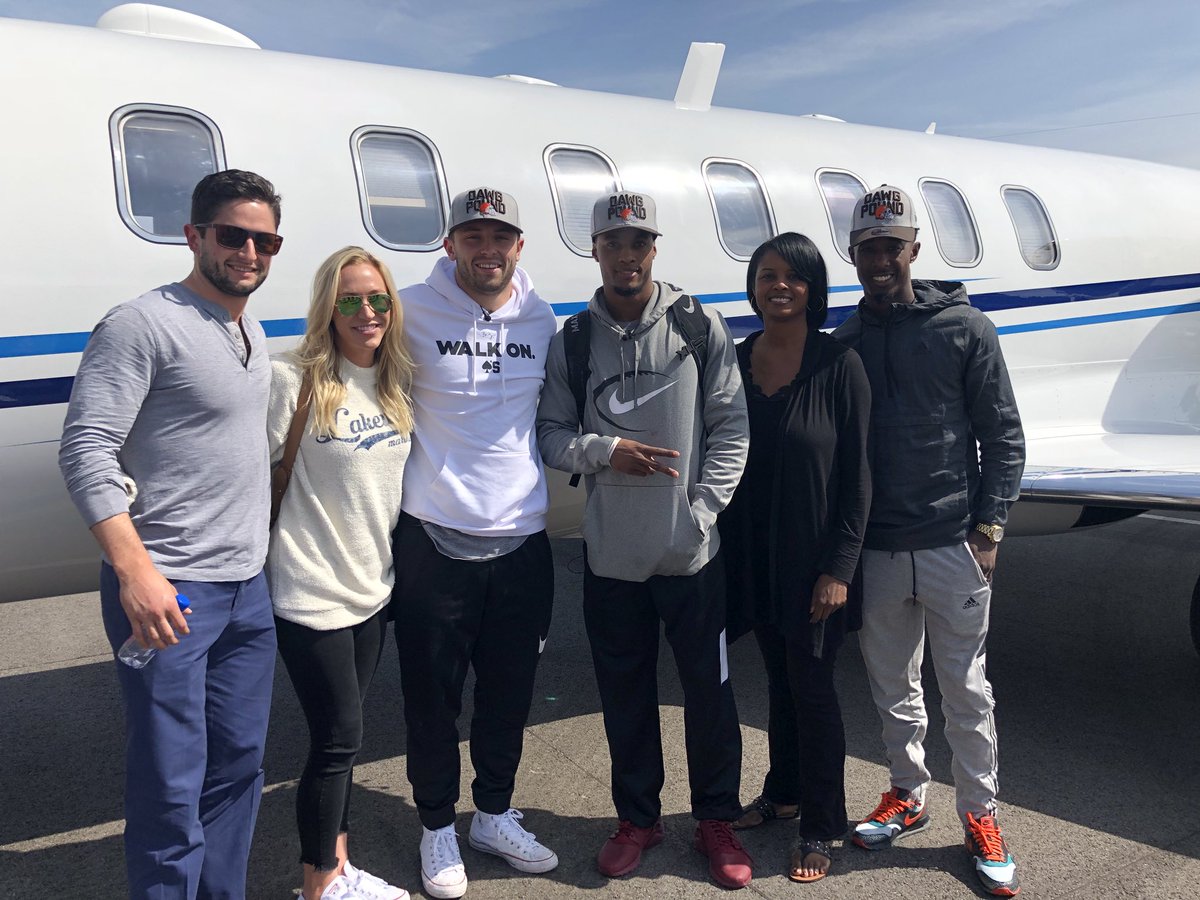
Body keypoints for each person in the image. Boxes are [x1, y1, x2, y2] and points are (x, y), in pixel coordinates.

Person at [58, 169, 283, 898]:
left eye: (265, 241)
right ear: (195, 236)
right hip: (171, 592)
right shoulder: (141, 324)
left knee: (239, 766)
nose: (249, 252)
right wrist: (135, 572)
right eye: (233, 236)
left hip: (247, 590)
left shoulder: (249, 328)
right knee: (169, 779)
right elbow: (86, 448)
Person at [536, 192, 753, 889]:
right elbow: (551, 436)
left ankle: (715, 819)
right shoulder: (574, 339)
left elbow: (731, 427)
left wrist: (701, 513)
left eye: (639, 243)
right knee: (624, 698)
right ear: (595, 250)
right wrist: (605, 451)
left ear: (653, 249)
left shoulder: (696, 324)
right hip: (611, 560)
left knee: (710, 696)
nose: (626, 256)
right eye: (613, 243)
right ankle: (638, 819)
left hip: (692, 557)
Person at [832, 185, 1026, 897]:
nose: (880, 259)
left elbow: (1003, 436)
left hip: (952, 544)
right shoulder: (845, 342)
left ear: (914, 249)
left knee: (967, 693)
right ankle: (907, 795)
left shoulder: (965, 329)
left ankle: (980, 815)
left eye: (892, 246)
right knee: (893, 687)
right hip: (879, 550)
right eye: (868, 249)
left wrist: (988, 529)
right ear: (853, 256)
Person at [392, 187, 558, 899]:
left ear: (518, 246)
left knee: (508, 694)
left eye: (500, 237)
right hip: (433, 537)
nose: (487, 249)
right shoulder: (407, 311)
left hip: (522, 540)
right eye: (473, 236)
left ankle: (492, 814)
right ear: (450, 243)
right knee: (432, 699)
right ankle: (436, 825)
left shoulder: (542, 317)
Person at [721, 233, 872, 883]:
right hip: (753, 559)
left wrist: (840, 569)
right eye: (766, 275)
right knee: (778, 683)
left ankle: (822, 823)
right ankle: (783, 793)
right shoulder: (735, 361)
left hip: (814, 567)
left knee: (812, 691)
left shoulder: (840, 365)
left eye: (793, 276)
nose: (778, 285)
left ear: (814, 288)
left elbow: (859, 478)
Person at [267, 247, 415, 900]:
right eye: (350, 299)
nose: (366, 312)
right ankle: (318, 885)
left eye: (377, 299)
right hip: (310, 591)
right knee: (336, 741)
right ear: (328, 307)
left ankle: (341, 866)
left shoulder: (393, 382)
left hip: (371, 590)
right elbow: (239, 469)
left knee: (345, 745)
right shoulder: (291, 379)